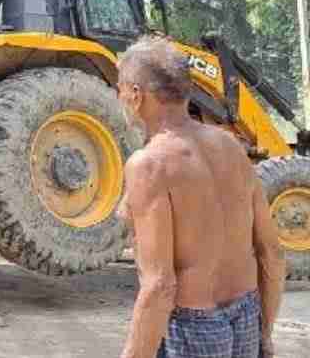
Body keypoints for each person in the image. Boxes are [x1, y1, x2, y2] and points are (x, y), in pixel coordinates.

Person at [117, 37, 284, 358]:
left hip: (192, 328)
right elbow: (272, 253)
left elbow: (160, 286)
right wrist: (264, 335)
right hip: (246, 315)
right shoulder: (232, 147)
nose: (119, 97)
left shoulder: (149, 165)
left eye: (120, 89)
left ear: (136, 95)